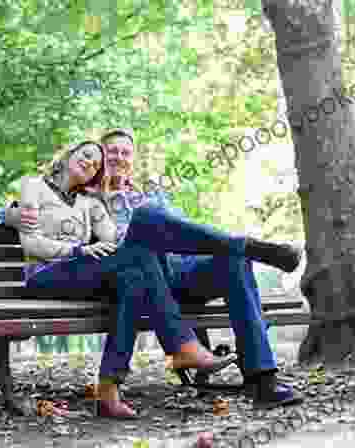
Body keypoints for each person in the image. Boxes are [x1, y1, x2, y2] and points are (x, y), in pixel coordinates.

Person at [3, 128, 304, 411]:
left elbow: (187, 235)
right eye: (111, 153)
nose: (119, 158)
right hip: (144, 277)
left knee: (232, 261)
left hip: (181, 272)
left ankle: (263, 380)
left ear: (132, 161)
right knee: (146, 221)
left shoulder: (149, 195)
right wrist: (13, 214)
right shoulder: (86, 196)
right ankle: (244, 244)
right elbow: (24, 209)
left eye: (126, 153)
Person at [14, 140, 233, 419]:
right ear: (69, 154)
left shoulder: (90, 203)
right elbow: (31, 244)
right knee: (136, 264)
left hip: (80, 274)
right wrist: (78, 249)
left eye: (95, 164)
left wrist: (145, 230)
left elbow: (116, 239)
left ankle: (108, 389)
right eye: (85, 156)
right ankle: (182, 346)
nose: (89, 164)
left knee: (134, 277)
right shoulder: (34, 186)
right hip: (44, 276)